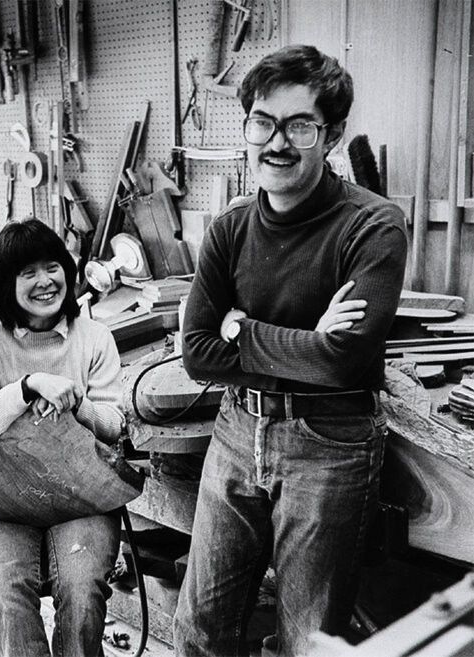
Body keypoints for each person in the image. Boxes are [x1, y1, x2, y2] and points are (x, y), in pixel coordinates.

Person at [173, 45, 408, 656]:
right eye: (261, 121)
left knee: (310, 642)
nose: (275, 142)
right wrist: (308, 342)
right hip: (236, 429)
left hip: (329, 444)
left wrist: (242, 331)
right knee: (199, 632)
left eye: (299, 125)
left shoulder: (373, 226)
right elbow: (196, 352)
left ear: (330, 135)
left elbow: (345, 360)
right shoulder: (229, 227)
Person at [0, 218, 125, 657]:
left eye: (52, 267)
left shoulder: (95, 337)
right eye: (27, 272)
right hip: (2, 491)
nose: (44, 281)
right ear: (4, 284)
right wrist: (27, 386)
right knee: (3, 592)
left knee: (83, 587)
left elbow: (115, 424)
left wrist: (76, 405)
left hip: (83, 486)